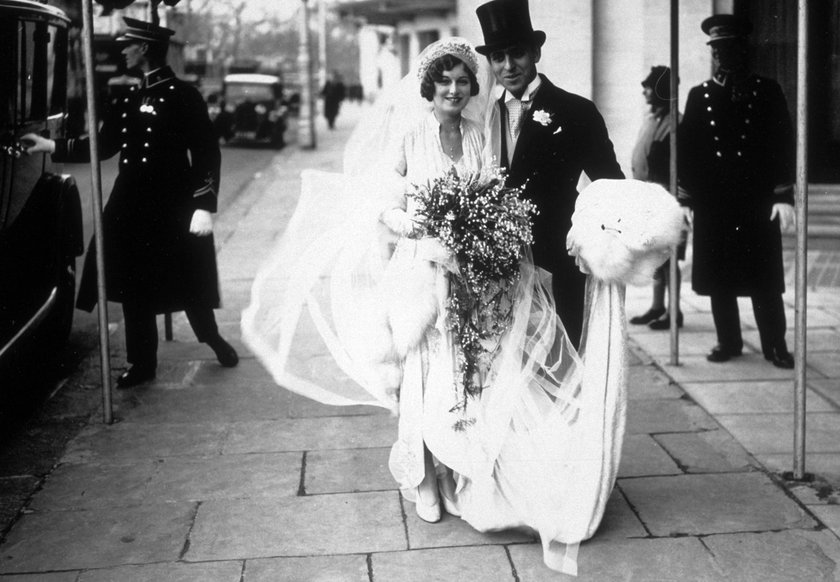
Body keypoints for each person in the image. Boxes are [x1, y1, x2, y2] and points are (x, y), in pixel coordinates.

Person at [23, 18, 238, 388]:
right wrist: (51, 146)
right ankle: (142, 362)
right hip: (130, 205)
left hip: (174, 203)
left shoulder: (184, 96)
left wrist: (204, 205)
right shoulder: (126, 96)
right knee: (134, 283)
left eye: (128, 45)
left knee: (187, 279)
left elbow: (205, 152)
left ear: (146, 49)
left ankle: (212, 338)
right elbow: (104, 146)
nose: (122, 50)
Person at [477, 0, 624, 349]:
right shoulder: (485, 114)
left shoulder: (575, 110)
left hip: (559, 259)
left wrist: (591, 232)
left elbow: (610, 184)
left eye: (517, 54)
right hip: (503, 265)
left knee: (563, 355)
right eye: (499, 57)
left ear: (536, 52)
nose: (508, 66)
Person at [678, 14, 795, 369]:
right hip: (714, 204)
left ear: (743, 50)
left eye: (729, 48)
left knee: (765, 280)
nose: (722, 55)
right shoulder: (700, 95)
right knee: (719, 279)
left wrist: (782, 196)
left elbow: (783, 143)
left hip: (756, 202)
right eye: (716, 49)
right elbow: (688, 150)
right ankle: (728, 341)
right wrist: (685, 199)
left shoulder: (767, 90)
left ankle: (775, 344)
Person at [629, 65, 685, 330]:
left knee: (669, 256)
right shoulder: (652, 118)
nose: (644, 91)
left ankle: (674, 311)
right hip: (646, 197)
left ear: (662, 91)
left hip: (665, 199)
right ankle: (657, 306)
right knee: (655, 257)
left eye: (649, 87)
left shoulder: (677, 122)